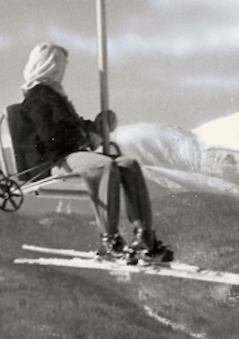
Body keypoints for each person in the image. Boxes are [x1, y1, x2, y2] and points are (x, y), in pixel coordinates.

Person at [18, 43, 172, 262]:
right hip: (55, 160)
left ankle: (145, 236)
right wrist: (86, 136)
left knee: (128, 164)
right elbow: (50, 136)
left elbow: (70, 127)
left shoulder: (54, 95)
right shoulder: (38, 97)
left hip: (70, 154)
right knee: (104, 165)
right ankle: (109, 239)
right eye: (60, 66)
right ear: (51, 66)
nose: (62, 71)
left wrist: (94, 128)